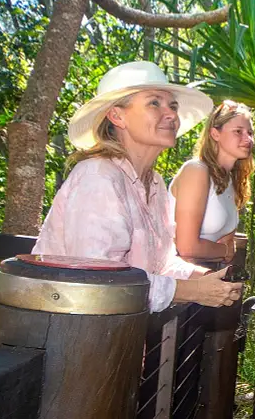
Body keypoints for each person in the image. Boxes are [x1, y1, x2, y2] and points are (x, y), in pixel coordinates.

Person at [32, 61, 242, 312]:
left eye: (173, 105)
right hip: (66, 335)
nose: (172, 114)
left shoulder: (154, 184)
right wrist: (193, 291)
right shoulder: (98, 177)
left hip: (119, 334)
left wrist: (206, 277)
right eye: (154, 103)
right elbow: (101, 281)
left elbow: (159, 265)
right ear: (117, 116)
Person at [169, 100, 255, 262]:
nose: (248, 139)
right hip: (175, 278)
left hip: (207, 275)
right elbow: (186, 248)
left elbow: (228, 243)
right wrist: (225, 251)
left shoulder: (232, 181)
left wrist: (224, 250)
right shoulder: (196, 170)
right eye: (238, 131)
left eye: (250, 133)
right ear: (215, 134)